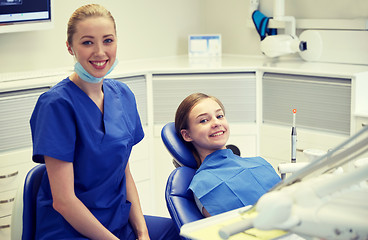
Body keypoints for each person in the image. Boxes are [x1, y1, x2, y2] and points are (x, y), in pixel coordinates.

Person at [30, 4, 179, 240]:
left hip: (117, 221)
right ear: (70, 47)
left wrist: (142, 233)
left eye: (108, 40)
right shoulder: (56, 105)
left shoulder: (123, 95)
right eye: (87, 42)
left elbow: (124, 173)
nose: (100, 52)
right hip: (70, 229)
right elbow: (64, 202)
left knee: (180, 232)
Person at [175, 93, 281, 217]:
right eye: (204, 120)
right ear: (187, 135)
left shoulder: (259, 163)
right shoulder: (204, 185)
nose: (216, 123)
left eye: (219, 116)